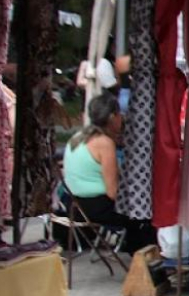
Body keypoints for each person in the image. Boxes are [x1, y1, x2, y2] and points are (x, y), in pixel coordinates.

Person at [61, 93, 155, 251]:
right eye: (120, 114)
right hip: (96, 207)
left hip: (73, 204)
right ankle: (143, 259)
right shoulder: (104, 143)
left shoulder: (77, 137)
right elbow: (113, 192)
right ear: (113, 117)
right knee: (142, 214)